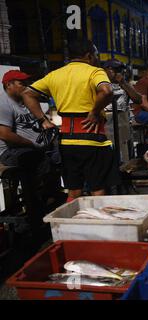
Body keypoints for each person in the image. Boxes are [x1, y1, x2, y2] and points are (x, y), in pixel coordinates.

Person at [22, 39, 120, 202]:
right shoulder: (95, 72)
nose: (96, 58)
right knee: (98, 191)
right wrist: (95, 112)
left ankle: (71, 226)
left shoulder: (55, 74)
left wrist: (43, 120)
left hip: (67, 141)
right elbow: (106, 90)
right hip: (92, 139)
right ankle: (97, 226)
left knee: (73, 192)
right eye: (95, 54)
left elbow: (27, 93)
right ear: (89, 55)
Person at [0, 70, 62, 236]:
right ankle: (35, 215)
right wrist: (32, 143)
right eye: (21, 83)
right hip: (10, 152)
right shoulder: (4, 103)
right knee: (35, 161)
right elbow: (4, 134)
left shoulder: (25, 102)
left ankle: (51, 198)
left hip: (34, 147)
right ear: (9, 85)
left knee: (61, 154)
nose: (26, 86)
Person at [103, 59, 142, 162]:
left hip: (122, 120)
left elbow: (138, 99)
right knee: (109, 154)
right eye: (116, 70)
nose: (118, 73)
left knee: (124, 155)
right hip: (106, 121)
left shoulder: (125, 84)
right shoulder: (101, 83)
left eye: (119, 70)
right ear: (107, 70)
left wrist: (123, 83)